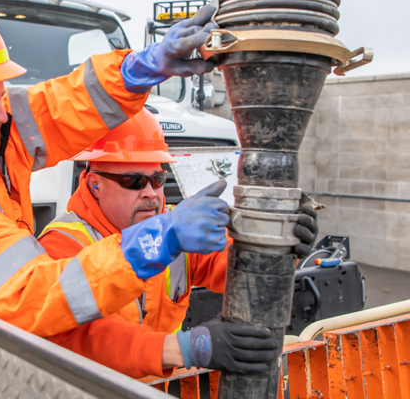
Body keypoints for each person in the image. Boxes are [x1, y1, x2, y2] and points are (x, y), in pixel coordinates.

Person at [0, 3, 230, 392]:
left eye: (0, 96)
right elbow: (34, 295)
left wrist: (139, 70)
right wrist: (157, 239)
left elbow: (57, 107)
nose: (2, 115)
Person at [39, 109, 319, 379]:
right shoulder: (63, 245)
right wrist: (185, 349)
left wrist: (277, 244)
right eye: (133, 181)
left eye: (158, 179)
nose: (150, 193)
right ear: (94, 184)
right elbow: (87, 340)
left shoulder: (176, 227)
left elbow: (233, 264)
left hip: (156, 384)